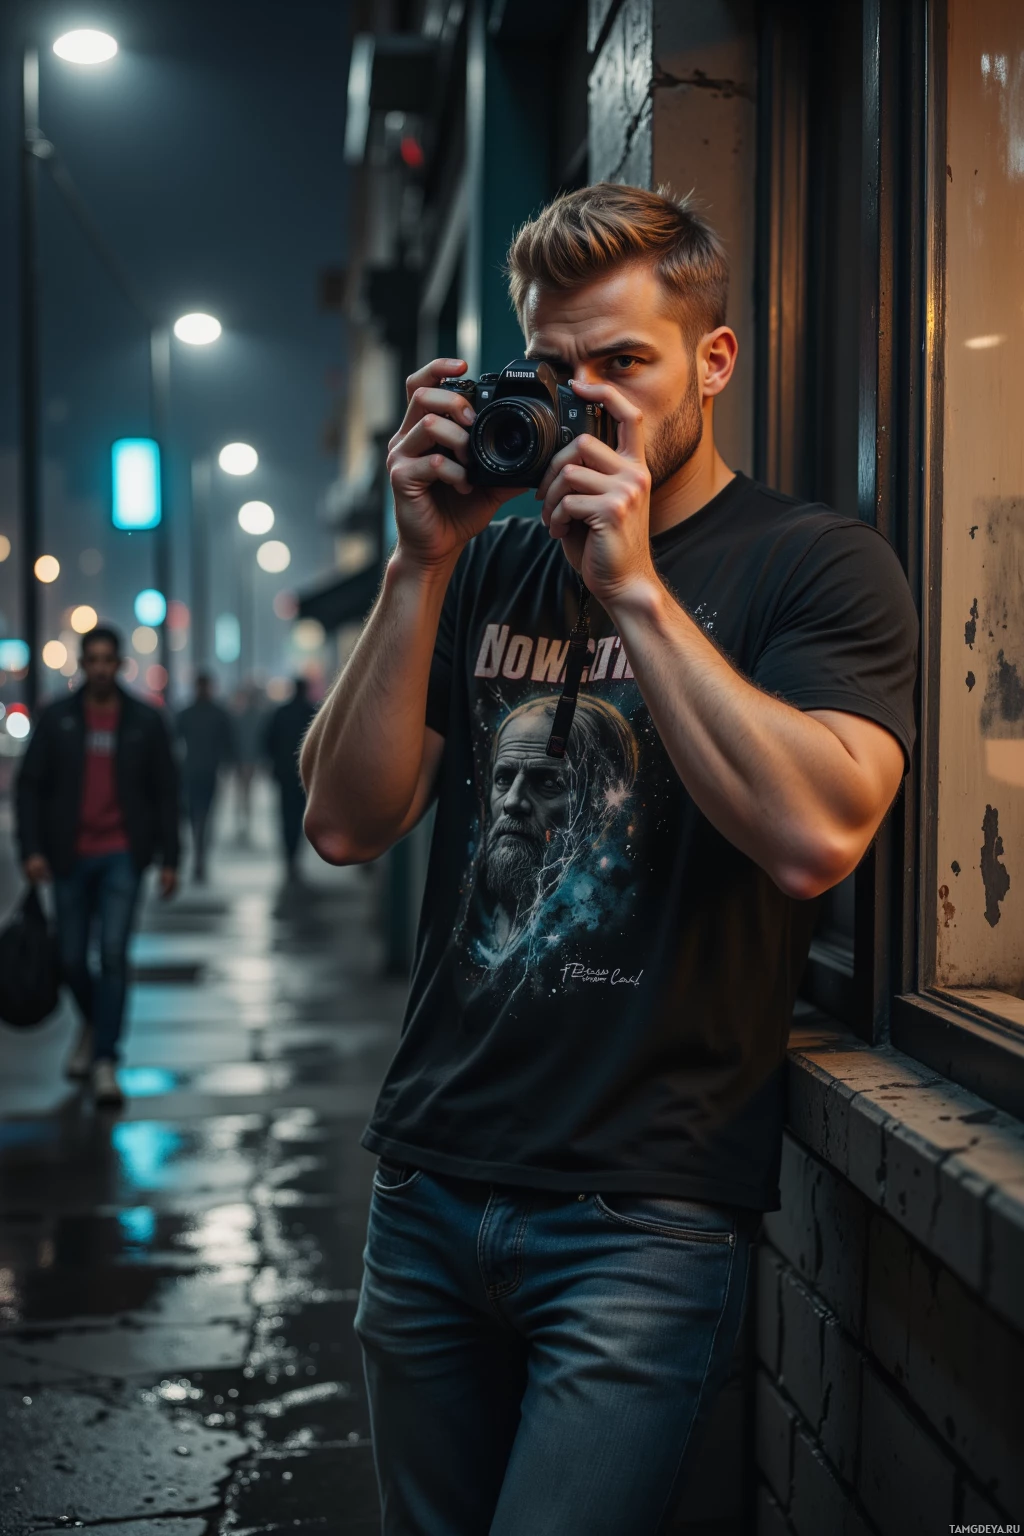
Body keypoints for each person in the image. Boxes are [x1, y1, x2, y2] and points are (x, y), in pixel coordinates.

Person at [300, 183, 919, 1534]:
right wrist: (417, 568)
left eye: (625, 363)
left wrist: (633, 586)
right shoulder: (489, 567)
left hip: (637, 1216)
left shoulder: (814, 568)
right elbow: (347, 822)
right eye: (555, 370)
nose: (586, 402)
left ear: (714, 360)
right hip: (426, 1184)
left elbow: (816, 835)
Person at [16, 625, 179, 1107]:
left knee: (111, 955)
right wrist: (30, 850)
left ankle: (105, 1057)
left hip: (121, 856)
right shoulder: (59, 719)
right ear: (83, 665)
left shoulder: (144, 722)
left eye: (110, 659)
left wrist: (170, 858)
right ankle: (95, 1023)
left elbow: (165, 793)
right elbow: (29, 787)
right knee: (69, 958)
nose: (102, 668)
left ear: (120, 664)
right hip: (68, 856)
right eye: (94, 660)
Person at [176, 671, 235, 882]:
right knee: (204, 815)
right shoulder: (217, 714)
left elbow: (174, 740)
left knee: (197, 815)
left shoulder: (187, 713)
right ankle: (201, 855)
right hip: (205, 771)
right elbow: (228, 744)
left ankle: (199, 854)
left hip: (194, 771)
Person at [264, 677, 316, 880]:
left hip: (284, 774)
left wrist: (275, 763)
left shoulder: (281, 713)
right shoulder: (311, 713)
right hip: (305, 775)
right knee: (302, 814)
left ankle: (289, 855)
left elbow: (268, 741)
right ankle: (295, 857)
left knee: (286, 815)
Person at [231, 681, 266, 843]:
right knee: (246, 793)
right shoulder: (258, 717)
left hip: (243, 759)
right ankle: (245, 821)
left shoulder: (242, 716)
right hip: (249, 759)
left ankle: (243, 821)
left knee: (243, 792)